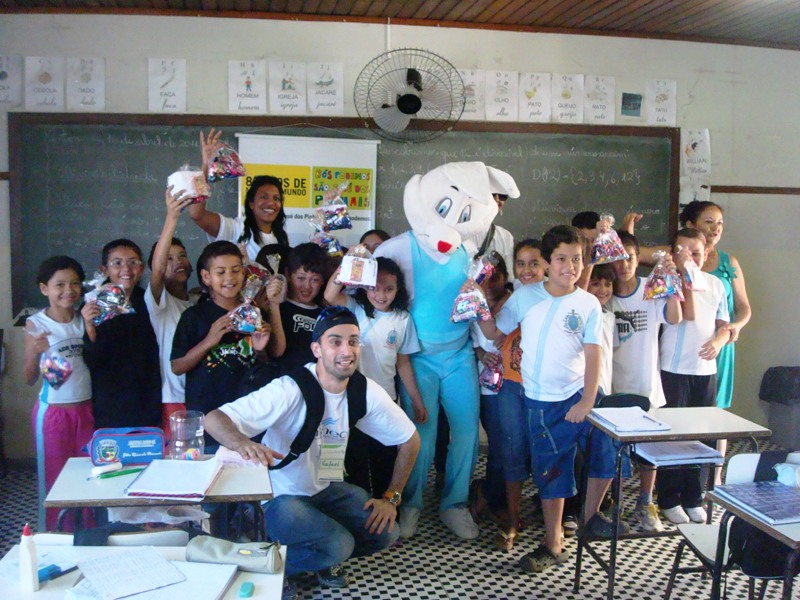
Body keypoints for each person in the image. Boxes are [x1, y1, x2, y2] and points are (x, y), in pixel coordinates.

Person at [204, 306, 420, 600]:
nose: (347, 351)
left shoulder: (363, 390)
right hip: (280, 496)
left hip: (324, 488)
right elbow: (214, 419)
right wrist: (243, 444)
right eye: (335, 342)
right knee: (339, 544)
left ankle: (313, 556)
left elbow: (410, 440)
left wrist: (392, 497)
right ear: (317, 349)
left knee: (386, 531)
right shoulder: (290, 389)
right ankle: (269, 567)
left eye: (353, 341)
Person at [477, 225, 623, 573]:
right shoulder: (525, 298)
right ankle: (553, 543)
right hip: (541, 401)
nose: (569, 267)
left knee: (607, 442)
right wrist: (478, 306)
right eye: (561, 259)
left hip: (580, 393)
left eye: (576, 259)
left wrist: (587, 401)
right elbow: (495, 333)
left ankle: (590, 516)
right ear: (546, 262)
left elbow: (594, 354)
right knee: (551, 470)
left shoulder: (587, 303)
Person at [323, 257, 426, 497]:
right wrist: (349, 265)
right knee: (354, 462)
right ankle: (357, 511)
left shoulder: (402, 319)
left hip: (385, 399)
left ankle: (387, 509)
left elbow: (403, 363)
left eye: (388, 289)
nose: (381, 295)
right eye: (374, 288)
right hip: (350, 399)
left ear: (398, 289)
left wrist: (416, 400)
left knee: (385, 461)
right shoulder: (353, 308)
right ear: (364, 286)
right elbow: (329, 295)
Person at [608, 230, 683, 532]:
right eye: (617, 258)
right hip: (612, 386)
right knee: (611, 451)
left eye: (629, 257)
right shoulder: (602, 292)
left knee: (648, 451)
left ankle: (645, 502)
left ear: (639, 259)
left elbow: (674, 318)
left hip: (646, 384)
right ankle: (611, 503)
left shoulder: (650, 289)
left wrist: (671, 284)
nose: (623, 265)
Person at [171, 241, 276, 450]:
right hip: (206, 420)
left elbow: (265, 363)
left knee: (250, 464)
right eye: (221, 272)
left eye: (235, 270)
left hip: (249, 418)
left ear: (244, 273)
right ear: (206, 277)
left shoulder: (254, 314)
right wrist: (209, 340)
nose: (229, 278)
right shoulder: (194, 316)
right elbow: (177, 366)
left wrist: (260, 350)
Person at [657, 228, 730, 525]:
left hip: (705, 371)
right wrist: (682, 273)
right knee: (674, 436)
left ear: (706, 254)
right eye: (682, 252)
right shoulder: (666, 280)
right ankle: (669, 498)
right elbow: (685, 314)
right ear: (673, 253)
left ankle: (693, 497)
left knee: (701, 438)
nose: (689, 258)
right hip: (674, 370)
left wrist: (719, 341)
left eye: (695, 253)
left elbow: (724, 324)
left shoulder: (715, 284)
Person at [681, 200, 752, 483]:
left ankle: (714, 479)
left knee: (716, 410)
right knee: (684, 413)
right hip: (687, 348)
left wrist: (732, 329)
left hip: (721, 345)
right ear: (691, 225)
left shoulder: (728, 262)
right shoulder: (680, 256)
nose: (715, 228)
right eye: (709, 222)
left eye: (719, 223)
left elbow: (744, 307)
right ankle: (680, 479)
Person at [24, 256, 93, 532]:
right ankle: (56, 535)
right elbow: (29, 378)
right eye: (60, 284)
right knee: (55, 478)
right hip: (54, 414)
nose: (68, 290)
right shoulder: (36, 324)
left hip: (88, 410)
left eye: (75, 283)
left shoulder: (85, 318)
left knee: (89, 474)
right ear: (44, 289)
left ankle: (88, 531)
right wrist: (38, 352)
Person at [488, 239, 546, 550]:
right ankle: (512, 519)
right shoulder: (516, 298)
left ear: (547, 264)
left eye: (534, 263)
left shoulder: (558, 294)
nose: (527, 270)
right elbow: (494, 334)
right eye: (521, 264)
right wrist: (476, 299)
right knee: (512, 450)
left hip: (547, 388)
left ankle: (553, 522)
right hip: (512, 385)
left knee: (547, 453)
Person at [81, 239, 161, 429]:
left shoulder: (148, 301)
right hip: (110, 400)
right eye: (117, 263)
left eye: (133, 262)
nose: (126, 269)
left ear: (141, 269)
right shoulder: (94, 304)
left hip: (147, 397)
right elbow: (92, 360)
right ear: (104, 270)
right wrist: (89, 326)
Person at [466, 252, 514, 545]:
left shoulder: (517, 300)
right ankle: (491, 497)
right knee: (499, 444)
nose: (491, 283)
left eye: (496, 277)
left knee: (511, 446)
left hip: (517, 384)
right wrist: (482, 354)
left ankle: (489, 494)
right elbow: (472, 341)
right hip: (488, 386)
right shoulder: (473, 302)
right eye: (485, 277)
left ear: (505, 277)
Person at [188, 129, 289, 262]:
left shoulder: (282, 236)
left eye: (276, 198)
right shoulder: (236, 229)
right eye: (264, 197)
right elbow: (197, 214)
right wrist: (206, 167)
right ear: (251, 203)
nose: (271, 203)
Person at [145, 186, 196, 434]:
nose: (178, 262)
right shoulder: (158, 303)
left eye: (183, 255)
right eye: (169, 258)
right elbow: (157, 271)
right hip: (172, 398)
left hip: (199, 394)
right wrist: (172, 217)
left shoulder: (198, 302)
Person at [273, 242, 329, 372]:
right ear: (288, 274)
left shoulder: (325, 315)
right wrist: (273, 305)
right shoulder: (278, 309)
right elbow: (275, 352)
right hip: (283, 379)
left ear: (323, 280)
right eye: (301, 278)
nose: (307, 286)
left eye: (314, 279)